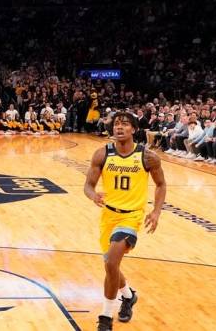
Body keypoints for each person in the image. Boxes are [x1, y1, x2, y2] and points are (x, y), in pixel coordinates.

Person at [83, 112, 167, 331]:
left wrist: (156, 212)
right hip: (108, 215)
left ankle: (105, 318)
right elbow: (88, 185)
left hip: (132, 216)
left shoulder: (148, 157)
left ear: (134, 130)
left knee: (111, 262)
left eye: (125, 124)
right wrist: (93, 196)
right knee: (111, 267)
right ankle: (128, 297)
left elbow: (161, 185)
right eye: (116, 124)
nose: (119, 127)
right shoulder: (102, 154)